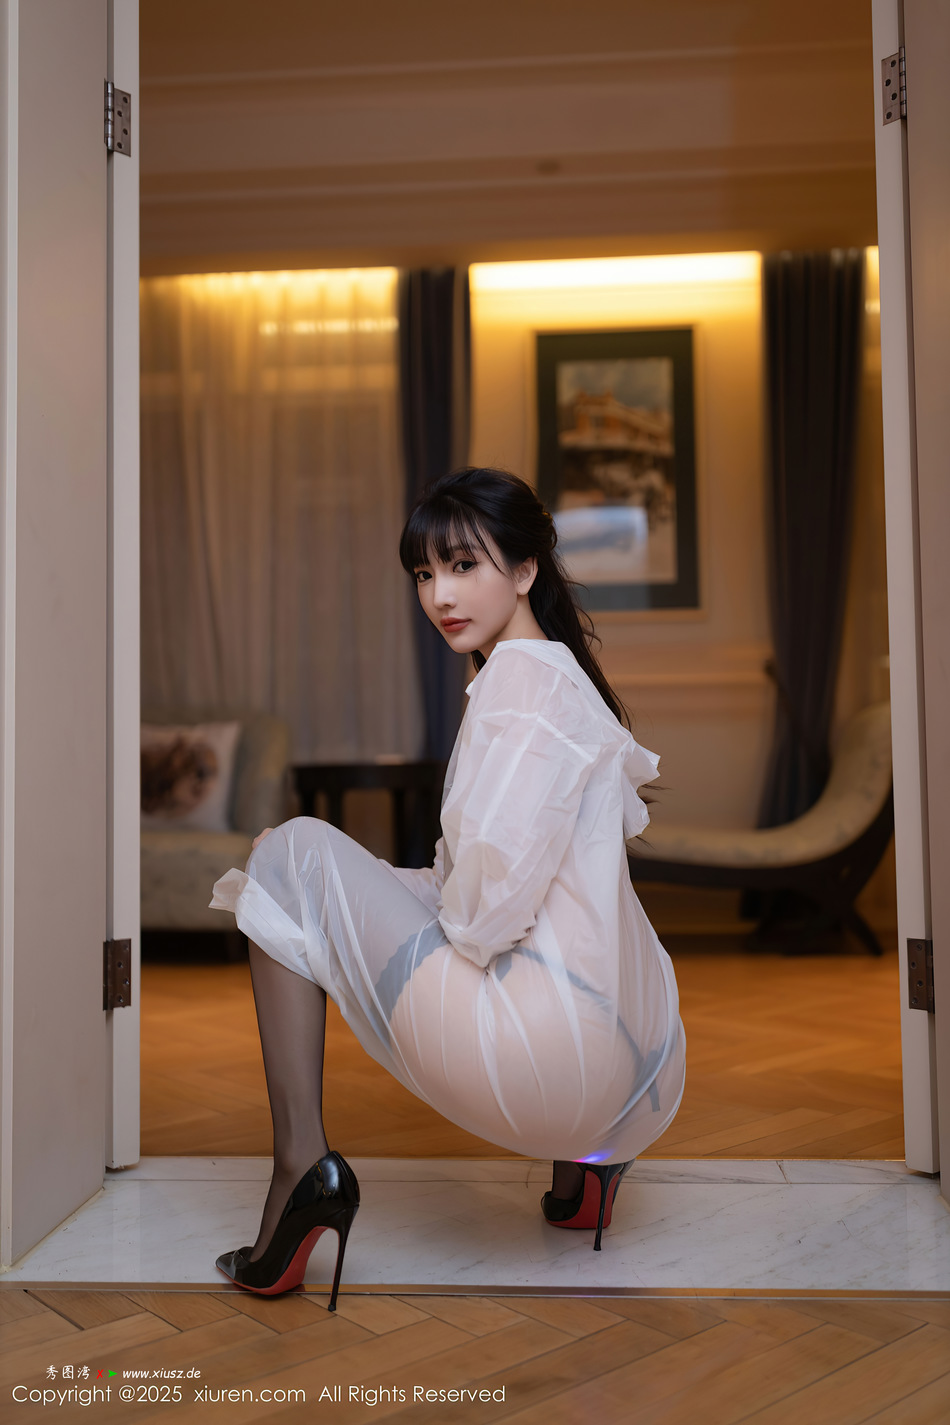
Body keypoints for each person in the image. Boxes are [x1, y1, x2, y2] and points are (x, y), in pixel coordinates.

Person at [210, 467, 686, 1307]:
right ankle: (584, 1178)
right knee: (298, 865)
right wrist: (348, 890)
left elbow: (480, 917)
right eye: (425, 573)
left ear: (526, 568)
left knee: (288, 848)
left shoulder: (518, 688)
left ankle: (299, 1168)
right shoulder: (562, 679)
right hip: (637, 1073)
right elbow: (490, 885)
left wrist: (296, 874)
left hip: (547, 1061)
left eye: (464, 565)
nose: (440, 595)